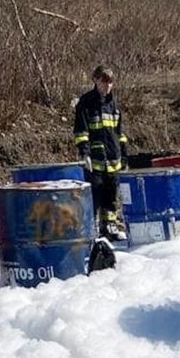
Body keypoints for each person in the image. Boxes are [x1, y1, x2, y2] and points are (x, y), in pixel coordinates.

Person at [73, 65, 129, 242]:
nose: (108, 86)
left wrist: (124, 155)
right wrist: (85, 153)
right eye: (104, 81)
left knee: (111, 194)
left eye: (110, 82)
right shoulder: (86, 102)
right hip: (96, 159)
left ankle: (109, 227)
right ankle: (92, 228)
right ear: (95, 80)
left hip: (113, 158)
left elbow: (120, 132)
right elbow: (81, 131)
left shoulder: (113, 103)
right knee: (95, 194)